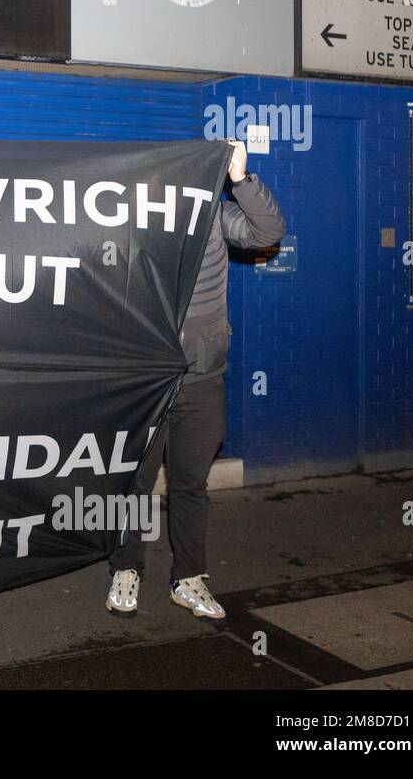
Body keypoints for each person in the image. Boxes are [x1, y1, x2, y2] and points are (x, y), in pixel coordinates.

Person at [106, 141, 285, 621]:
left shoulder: (213, 215)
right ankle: (126, 568)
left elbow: (268, 229)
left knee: (190, 484)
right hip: (146, 381)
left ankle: (188, 578)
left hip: (202, 377)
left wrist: (241, 179)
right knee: (133, 481)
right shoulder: (127, 228)